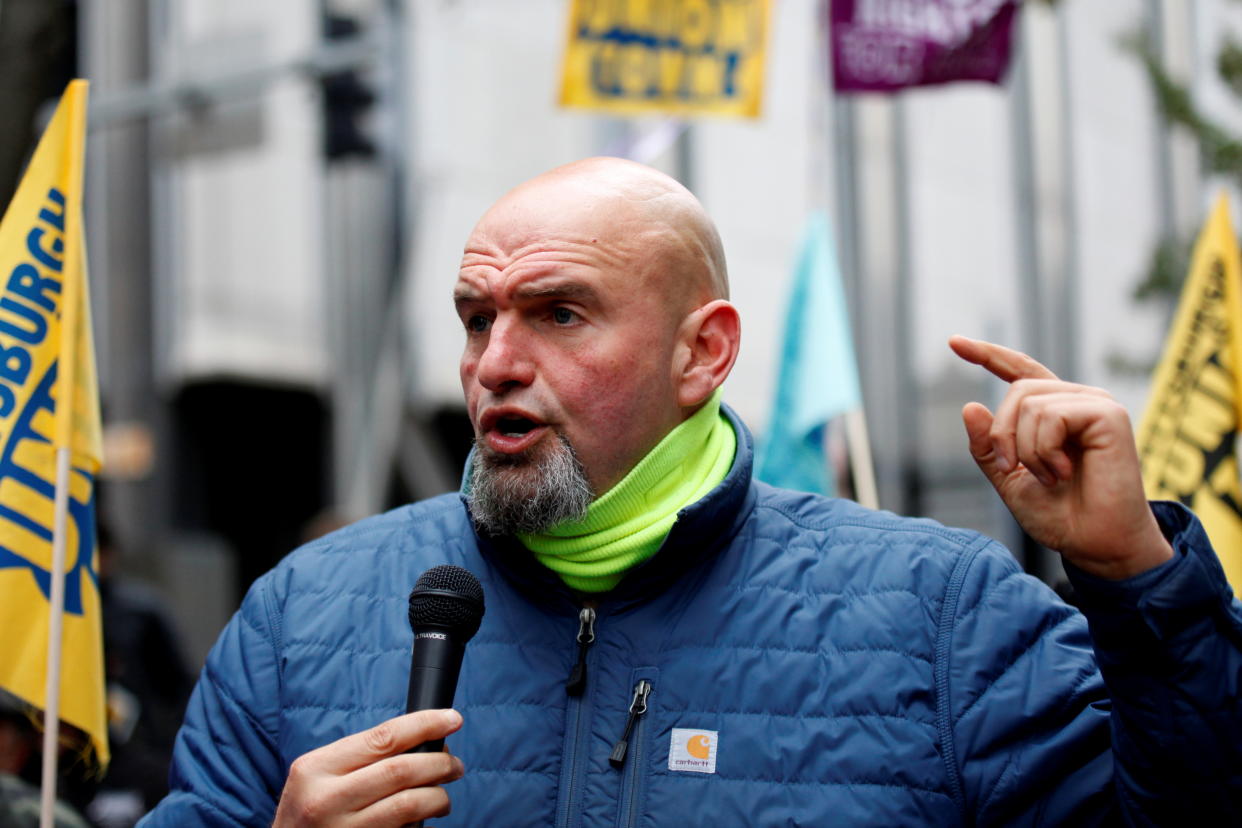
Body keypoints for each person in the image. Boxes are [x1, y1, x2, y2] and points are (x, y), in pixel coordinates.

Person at [141, 158, 1242, 826]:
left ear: (702, 353)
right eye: (479, 318)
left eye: (559, 314)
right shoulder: (305, 616)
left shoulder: (945, 617)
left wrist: (1136, 579)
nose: (494, 364)